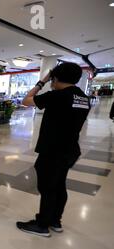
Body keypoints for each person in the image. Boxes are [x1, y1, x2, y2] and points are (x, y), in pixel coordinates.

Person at [17, 62, 91, 237]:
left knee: (48, 187)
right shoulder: (83, 98)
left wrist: (41, 82)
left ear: (55, 78)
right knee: (59, 185)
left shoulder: (57, 96)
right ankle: (55, 220)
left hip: (52, 150)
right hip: (70, 149)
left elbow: (26, 100)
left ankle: (42, 224)